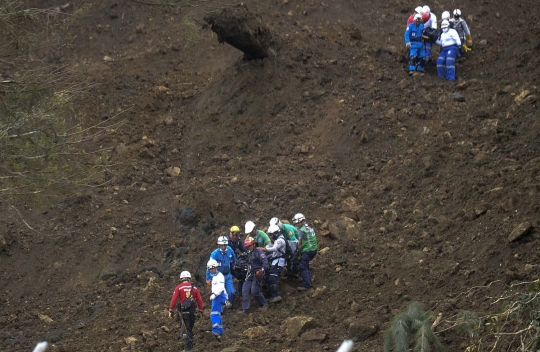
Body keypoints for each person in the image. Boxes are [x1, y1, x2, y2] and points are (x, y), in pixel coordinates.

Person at [168, 271, 204, 352]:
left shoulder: (178, 288)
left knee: (186, 327)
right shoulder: (194, 288)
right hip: (192, 310)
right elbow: (199, 300)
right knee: (190, 327)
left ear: (181, 279)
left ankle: (189, 345)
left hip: (183, 310)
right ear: (189, 279)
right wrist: (201, 310)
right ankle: (188, 338)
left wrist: (171, 310)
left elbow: (173, 300)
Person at [239, 236, 269, 313]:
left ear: (254, 244)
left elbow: (265, 263)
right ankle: (245, 309)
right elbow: (246, 262)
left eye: (250, 246)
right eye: (248, 247)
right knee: (245, 290)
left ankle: (264, 305)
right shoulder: (248, 254)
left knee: (255, 291)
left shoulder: (259, 252)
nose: (249, 248)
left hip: (257, 273)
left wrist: (261, 270)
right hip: (249, 274)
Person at [206, 236, 236, 309]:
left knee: (231, 292)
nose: (223, 247)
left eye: (225, 245)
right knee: (218, 293)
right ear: (219, 245)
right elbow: (209, 266)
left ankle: (229, 306)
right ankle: (220, 309)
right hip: (218, 276)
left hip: (227, 275)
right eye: (222, 245)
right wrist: (208, 278)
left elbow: (233, 258)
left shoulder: (230, 250)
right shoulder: (214, 254)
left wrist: (233, 264)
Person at [260, 224, 287, 303]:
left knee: (272, 278)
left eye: (271, 234)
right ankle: (270, 295)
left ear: (276, 233)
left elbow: (274, 248)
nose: (270, 236)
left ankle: (276, 295)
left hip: (279, 262)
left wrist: (264, 249)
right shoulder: (278, 240)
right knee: (266, 276)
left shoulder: (280, 240)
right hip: (275, 262)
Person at [293, 213, 318, 291]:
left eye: (297, 222)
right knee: (305, 264)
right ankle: (307, 279)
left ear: (301, 221)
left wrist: (297, 253)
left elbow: (299, 243)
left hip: (308, 250)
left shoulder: (301, 230)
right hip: (314, 249)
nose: (296, 224)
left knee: (302, 266)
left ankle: (306, 285)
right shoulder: (309, 226)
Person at [207, 258, 228, 340]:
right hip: (218, 296)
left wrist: (214, 295)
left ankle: (216, 331)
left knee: (214, 314)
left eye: (212, 268)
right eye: (210, 269)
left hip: (218, 296)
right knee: (218, 313)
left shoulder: (219, 276)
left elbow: (221, 287)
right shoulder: (215, 276)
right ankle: (220, 330)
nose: (211, 270)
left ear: (216, 267)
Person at [228, 225, 247, 298]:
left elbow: (244, 250)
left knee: (243, 275)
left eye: (237, 235)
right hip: (227, 264)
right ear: (231, 234)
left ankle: (241, 294)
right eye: (234, 235)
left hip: (235, 262)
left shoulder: (238, 241)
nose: (235, 237)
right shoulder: (226, 242)